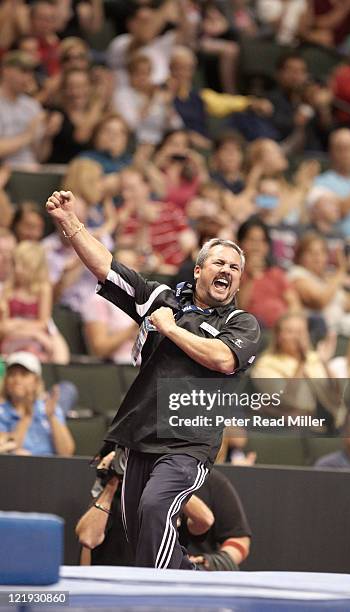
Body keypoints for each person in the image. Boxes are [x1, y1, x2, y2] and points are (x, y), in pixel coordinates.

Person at [45, 189, 261, 570]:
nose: (226, 271)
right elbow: (108, 268)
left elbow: (223, 359)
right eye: (218, 263)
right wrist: (70, 223)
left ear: (239, 282)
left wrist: (171, 330)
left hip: (188, 443)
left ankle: (163, 599)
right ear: (198, 270)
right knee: (142, 531)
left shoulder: (239, 323)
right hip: (139, 438)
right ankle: (188, 580)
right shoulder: (161, 298)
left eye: (234, 268)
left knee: (156, 505)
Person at [76, 449, 251, 571]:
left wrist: (162, 480)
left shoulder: (210, 482)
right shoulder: (119, 485)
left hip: (176, 576)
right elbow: (87, 539)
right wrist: (112, 483)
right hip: (123, 579)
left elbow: (207, 521)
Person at [0, 240, 70, 363]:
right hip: (13, 338)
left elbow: (43, 323)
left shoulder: (43, 289)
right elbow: (4, 326)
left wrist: (17, 324)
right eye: (15, 264)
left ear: (34, 267)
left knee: (51, 349)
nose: (17, 270)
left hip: (35, 339)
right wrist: (33, 333)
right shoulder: (7, 289)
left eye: (23, 266)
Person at [0, 351, 75, 456]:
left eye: (24, 374)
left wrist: (51, 417)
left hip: (51, 468)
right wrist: (26, 417)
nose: (17, 380)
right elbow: (6, 448)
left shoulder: (48, 407)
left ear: (36, 381)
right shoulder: (2, 412)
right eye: (12, 374)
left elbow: (66, 452)